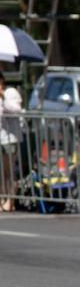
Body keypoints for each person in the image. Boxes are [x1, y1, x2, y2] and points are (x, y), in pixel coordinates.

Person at [0, 72, 22, 212]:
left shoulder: (11, 93)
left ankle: (10, 201)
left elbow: (16, 109)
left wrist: (2, 95)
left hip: (9, 138)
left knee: (8, 172)